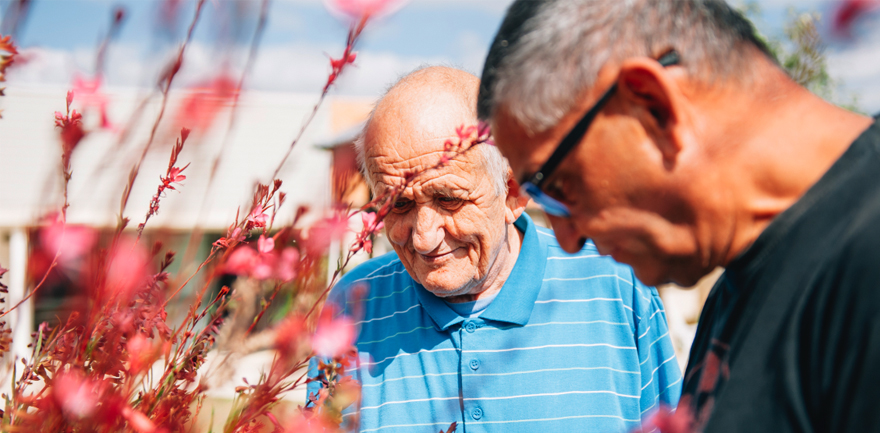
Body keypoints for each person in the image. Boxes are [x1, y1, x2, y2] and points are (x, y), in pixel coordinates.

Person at [476, 1, 880, 432]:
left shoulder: (865, 257)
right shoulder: (737, 290)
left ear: (653, 106)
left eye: (556, 188)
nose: (568, 237)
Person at [308, 66, 681, 433]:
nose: (423, 237)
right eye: (399, 205)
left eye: (448, 199)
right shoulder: (352, 308)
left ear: (513, 193)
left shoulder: (613, 287)